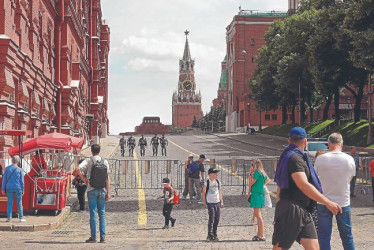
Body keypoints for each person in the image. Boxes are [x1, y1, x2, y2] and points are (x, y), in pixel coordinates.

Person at [272, 127, 342, 250]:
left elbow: (280, 184)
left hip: (303, 209)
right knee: (280, 247)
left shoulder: (291, 156)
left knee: (314, 247)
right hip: (292, 209)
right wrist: (327, 202)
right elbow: (303, 185)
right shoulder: (294, 159)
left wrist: (279, 207)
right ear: (305, 141)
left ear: (289, 141)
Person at [314, 133, 356, 250]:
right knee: (347, 236)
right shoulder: (349, 159)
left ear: (329, 144)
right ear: (341, 144)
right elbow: (350, 178)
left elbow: (316, 178)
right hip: (343, 201)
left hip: (324, 201)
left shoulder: (320, 159)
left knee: (324, 236)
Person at [76, 144, 110, 243]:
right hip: (102, 190)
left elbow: (77, 169)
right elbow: (107, 179)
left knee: (93, 214)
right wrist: (108, 192)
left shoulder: (88, 160)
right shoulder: (105, 161)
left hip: (91, 190)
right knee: (102, 214)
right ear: (99, 151)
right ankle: (103, 237)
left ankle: (93, 237)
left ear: (91, 151)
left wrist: (85, 180)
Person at [247, 158, 271, 241]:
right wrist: (262, 185)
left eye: (252, 165)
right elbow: (268, 180)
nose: (251, 166)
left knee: (258, 215)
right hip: (259, 194)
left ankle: (261, 235)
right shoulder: (262, 171)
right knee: (258, 214)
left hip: (256, 194)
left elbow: (251, 183)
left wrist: (250, 174)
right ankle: (259, 233)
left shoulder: (256, 172)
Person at [1, 156, 26, 222]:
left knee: (9, 203)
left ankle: (9, 217)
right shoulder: (20, 170)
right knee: (19, 203)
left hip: (9, 187)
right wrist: (23, 189)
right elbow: (22, 181)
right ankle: (21, 218)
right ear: (18, 161)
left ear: (12, 161)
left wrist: (3, 188)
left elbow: (4, 180)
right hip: (18, 187)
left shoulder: (7, 169)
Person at [202, 168, 223, 241]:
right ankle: (210, 234)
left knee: (217, 218)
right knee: (211, 218)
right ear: (210, 174)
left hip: (217, 201)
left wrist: (221, 201)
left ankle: (215, 233)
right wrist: (205, 202)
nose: (216, 175)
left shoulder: (217, 182)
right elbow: (203, 193)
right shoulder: (207, 182)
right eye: (215, 173)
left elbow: (220, 191)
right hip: (210, 202)